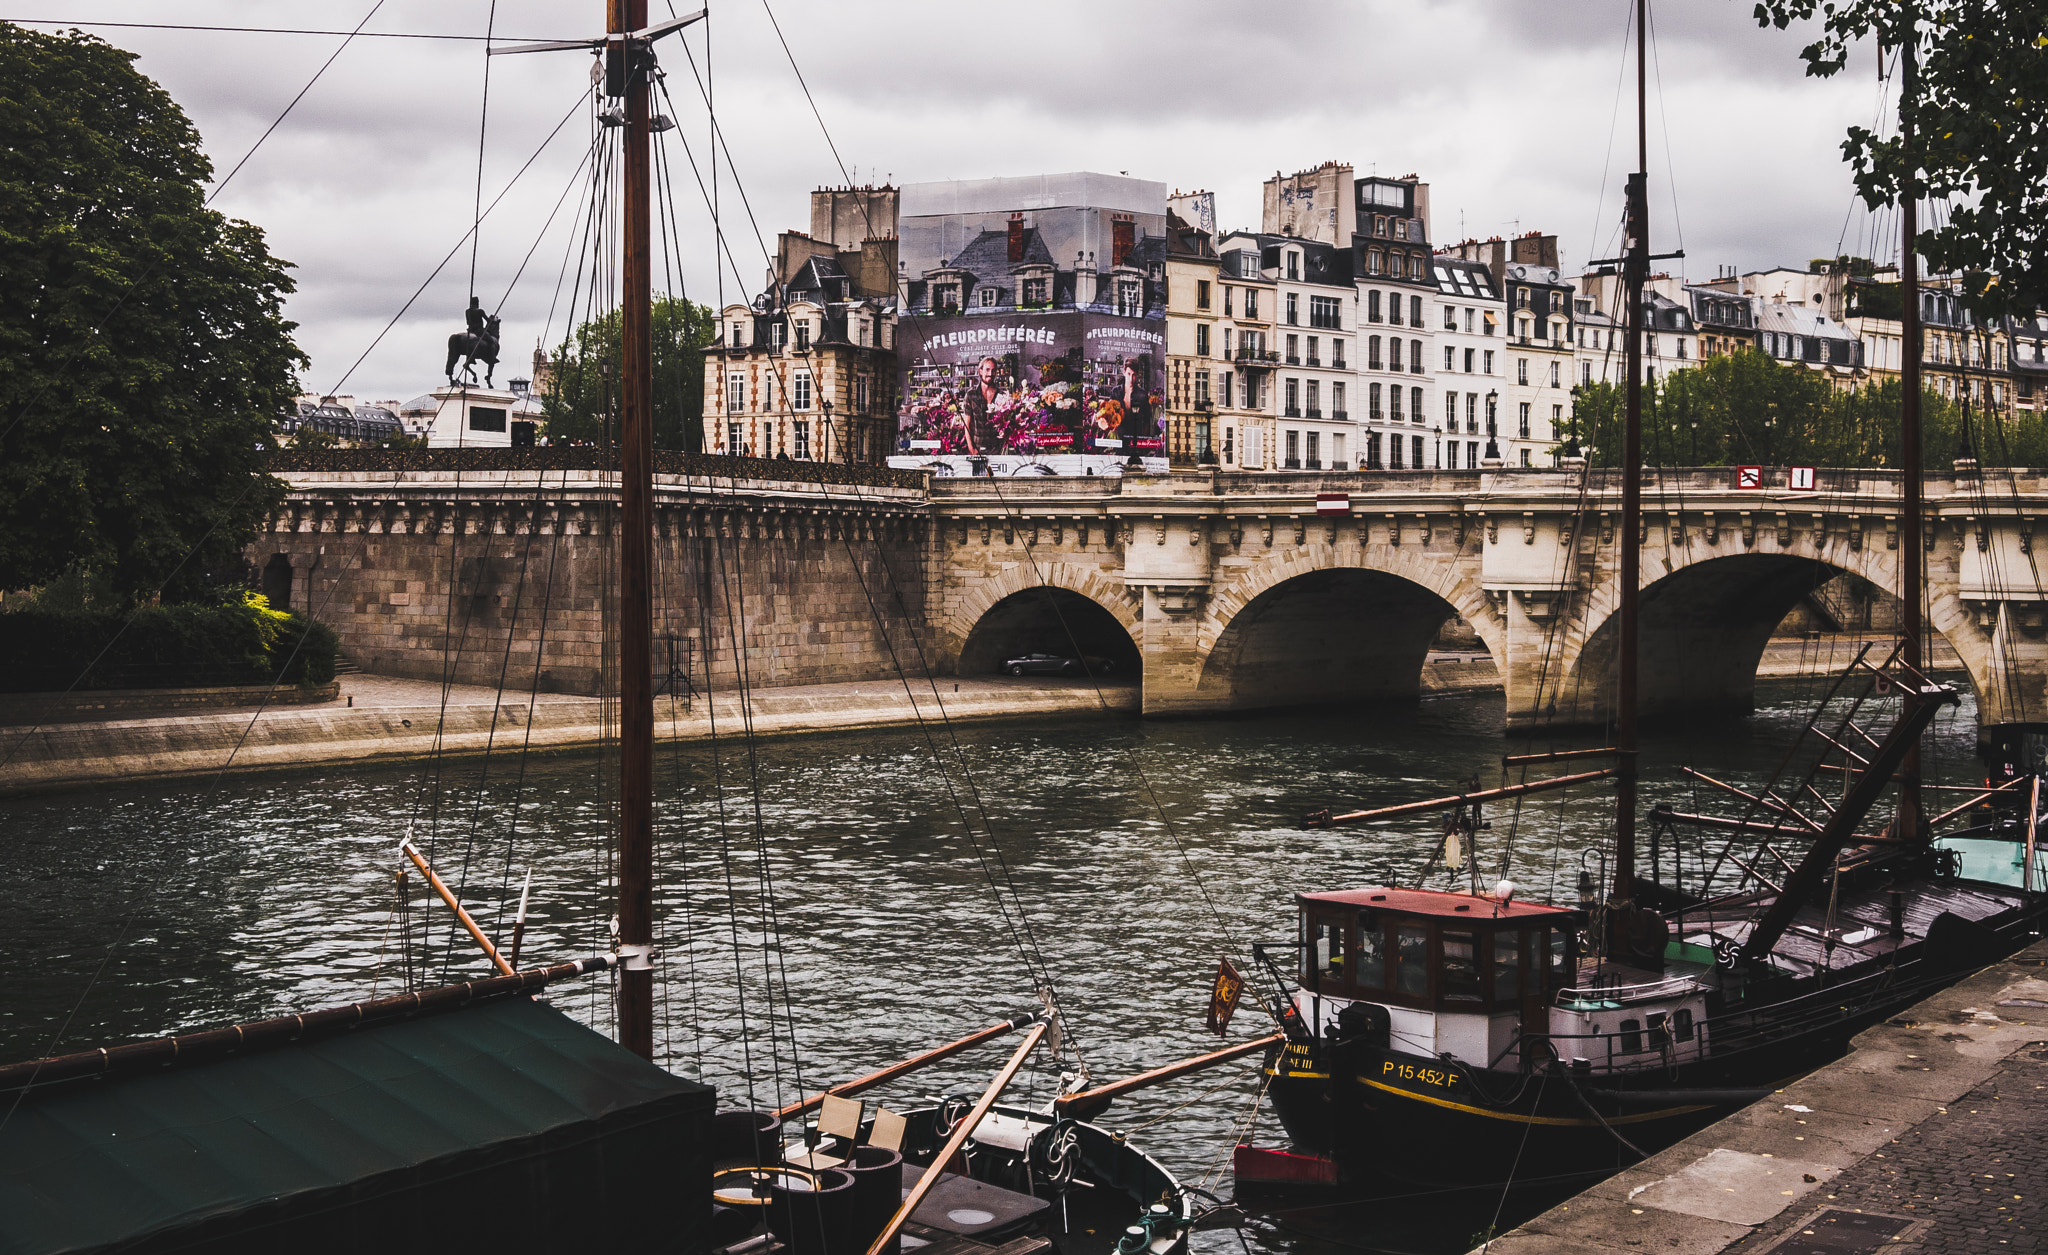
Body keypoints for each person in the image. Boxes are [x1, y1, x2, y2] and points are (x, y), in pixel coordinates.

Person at [958, 356, 1005, 455]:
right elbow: (967, 425)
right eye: (987, 370)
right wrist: (972, 449)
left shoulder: (1002, 395)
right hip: (977, 448)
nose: (990, 374)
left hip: (997, 449)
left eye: (993, 371)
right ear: (980, 371)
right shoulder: (971, 395)